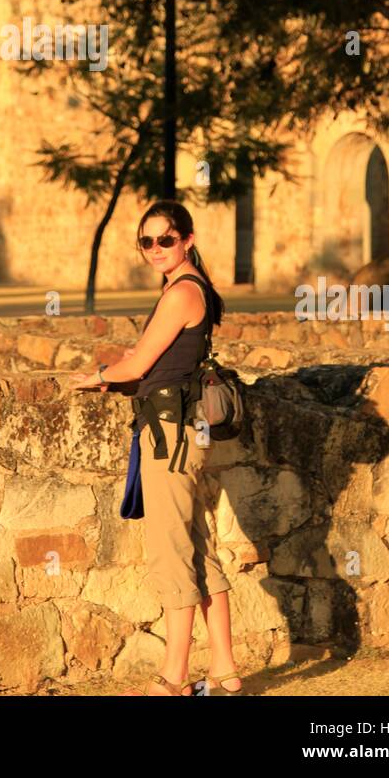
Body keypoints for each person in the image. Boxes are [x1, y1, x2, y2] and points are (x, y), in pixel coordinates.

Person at [69, 199, 243, 697]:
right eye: (146, 241)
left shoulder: (182, 293)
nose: (155, 249)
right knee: (198, 550)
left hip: (169, 436)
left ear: (187, 239)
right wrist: (121, 376)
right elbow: (162, 364)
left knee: (171, 554)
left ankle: (173, 679)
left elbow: (138, 363)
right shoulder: (187, 289)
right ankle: (226, 672)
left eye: (166, 239)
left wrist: (96, 377)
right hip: (182, 430)